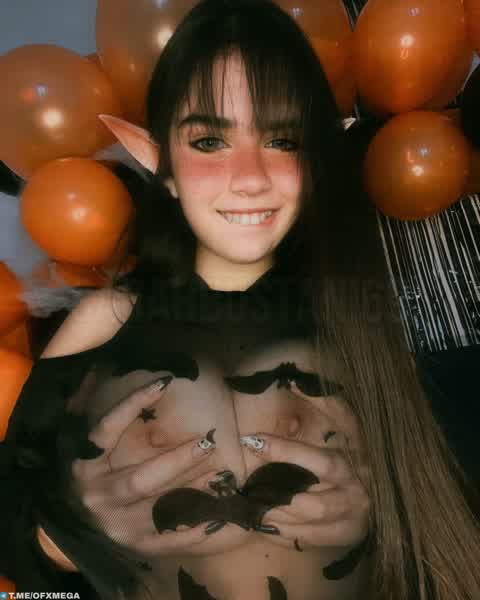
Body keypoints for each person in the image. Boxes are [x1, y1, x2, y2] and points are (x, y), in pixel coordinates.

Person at [1, 1, 479, 599]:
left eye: (281, 138)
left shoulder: (360, 323)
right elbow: (14, 537)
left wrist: (382, 522)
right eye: (208, 141)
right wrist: (76, 537)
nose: (251, 177)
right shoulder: (107, 321)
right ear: (157, 160)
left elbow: (438, 535)